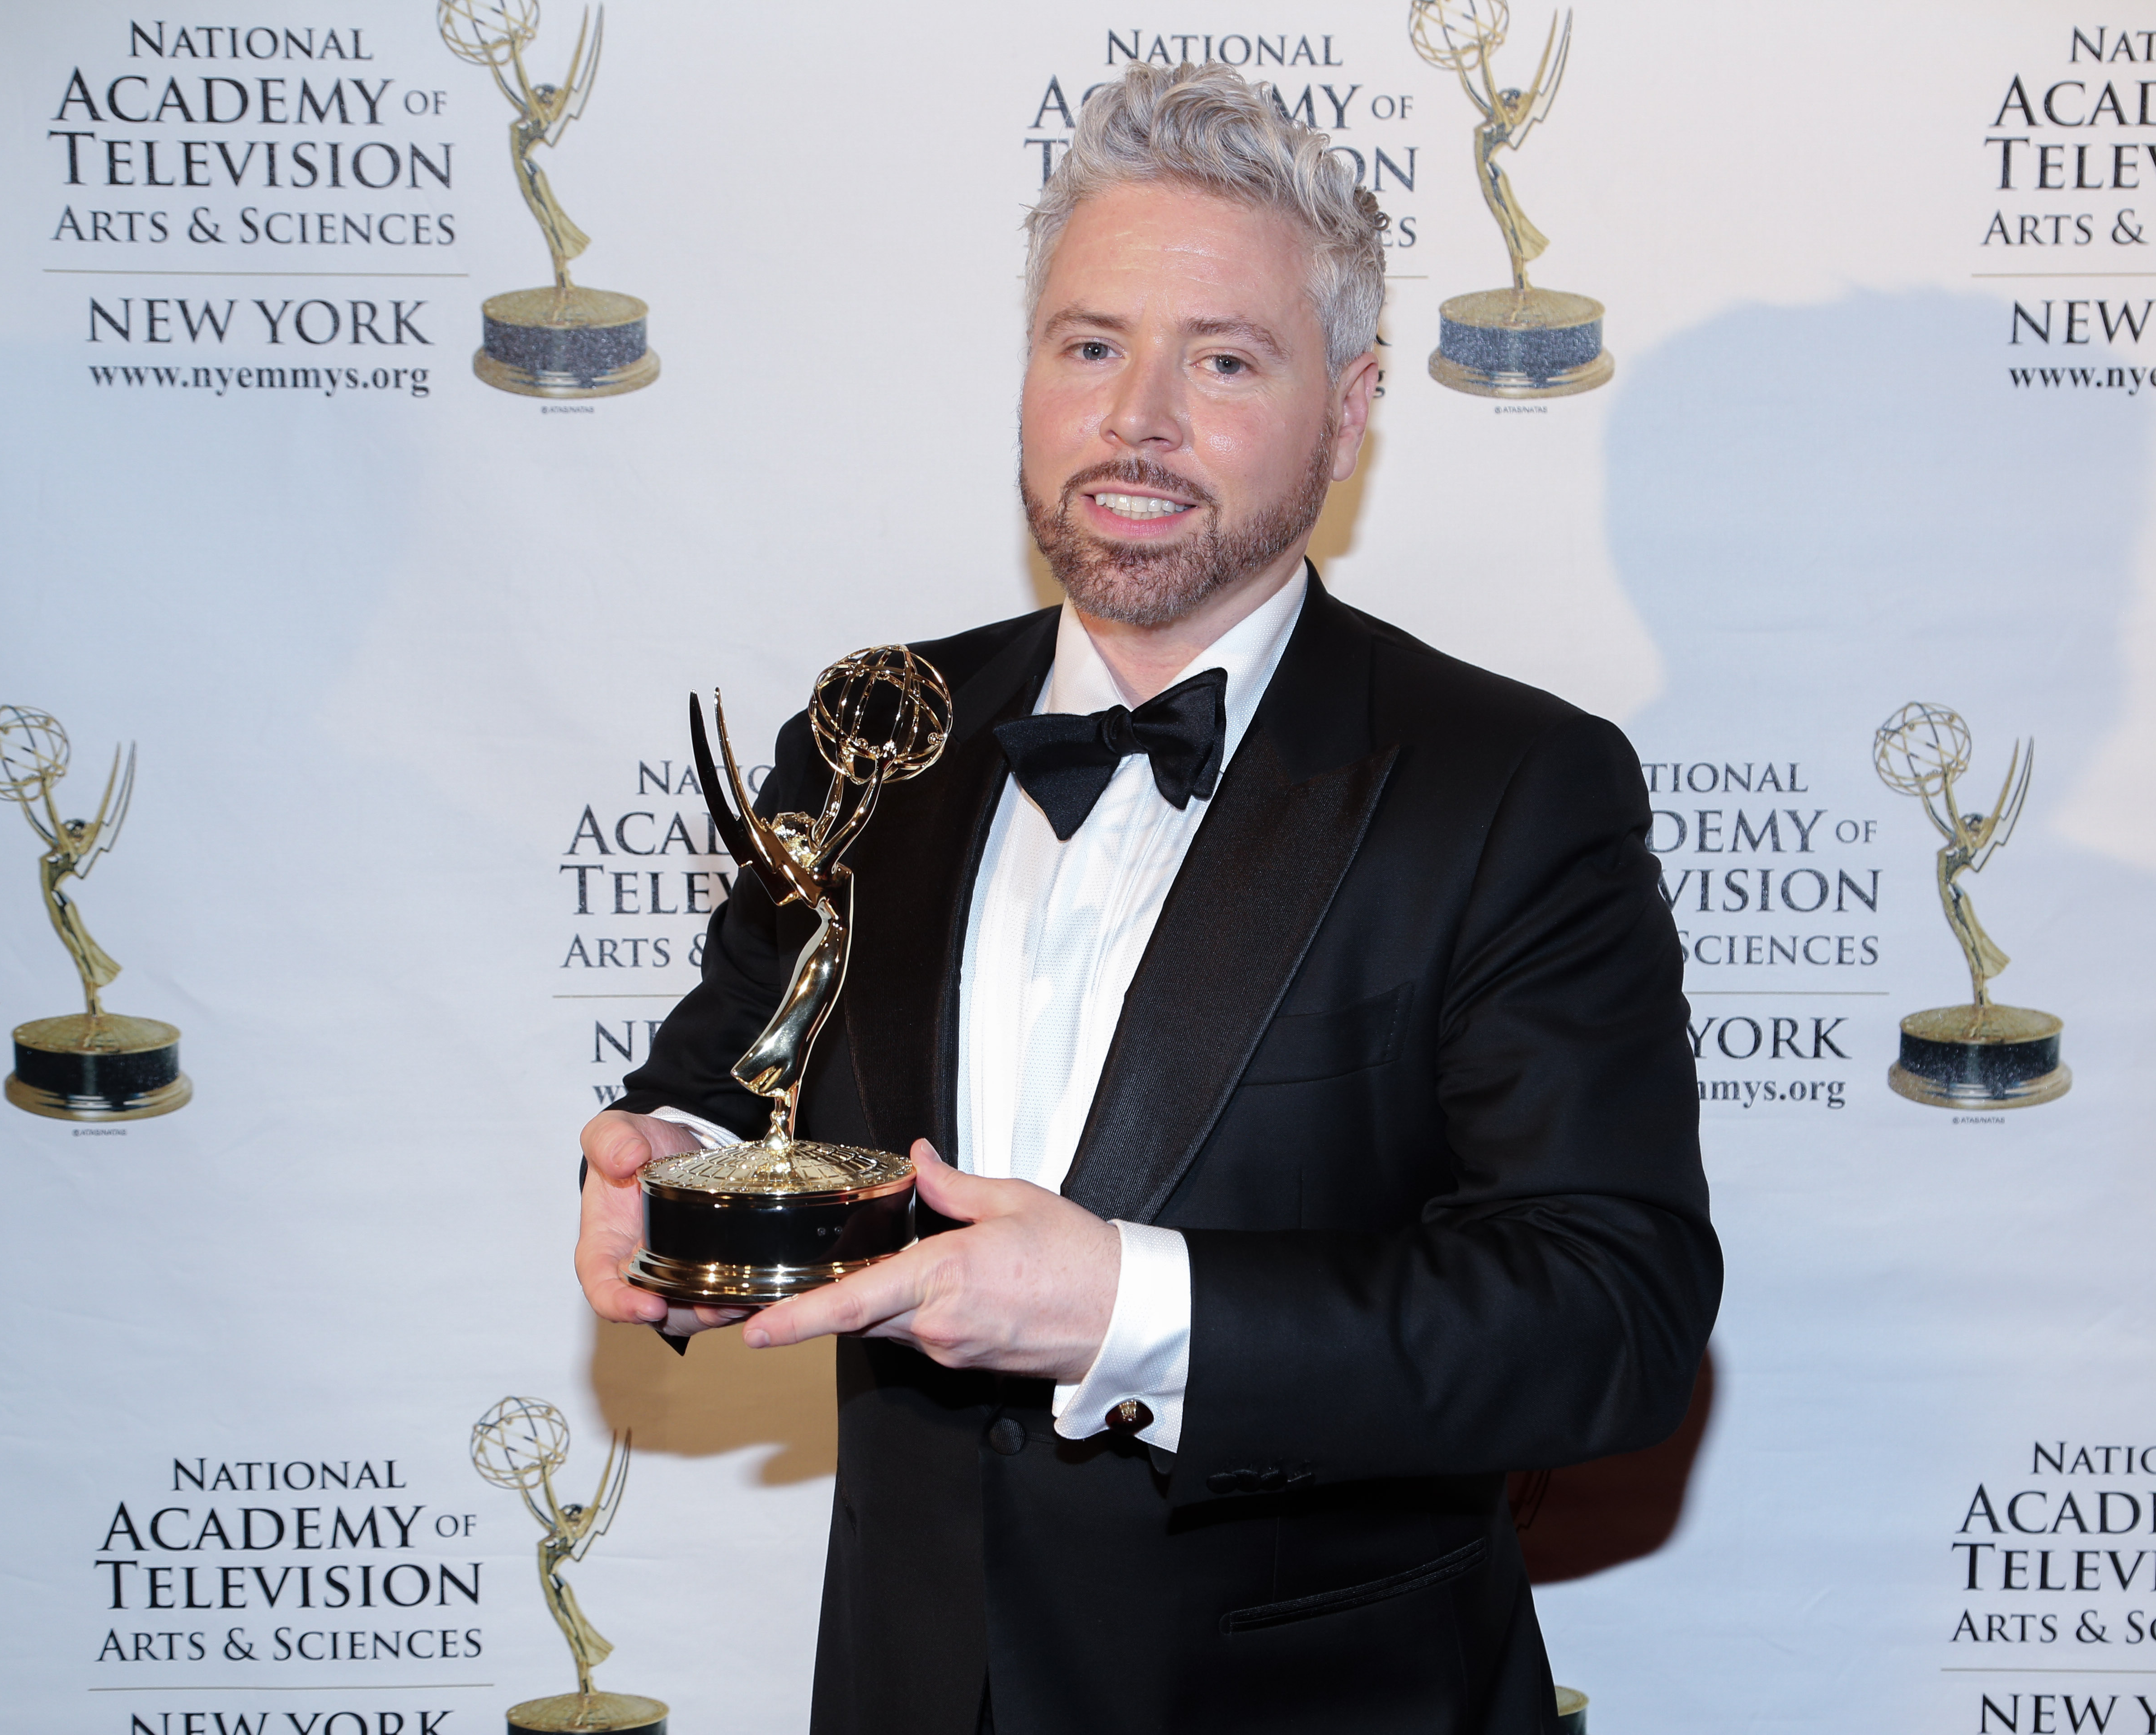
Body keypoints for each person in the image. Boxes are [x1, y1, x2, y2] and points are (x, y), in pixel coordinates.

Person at [573, 61, 1719, 1735]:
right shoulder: (875, 729)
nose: (1138, 419)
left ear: (1350, 410)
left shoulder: (1509, 787)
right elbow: (730, 1080)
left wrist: (1128, 1305)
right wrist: (659, 1171)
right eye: (1091, 346)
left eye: (1226, 360)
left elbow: (1609, 1321)